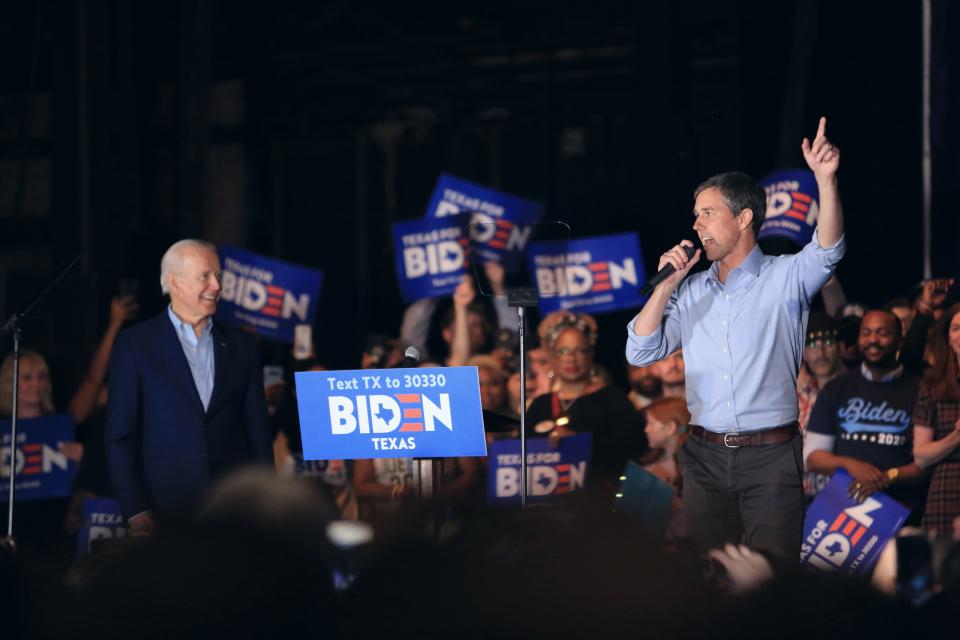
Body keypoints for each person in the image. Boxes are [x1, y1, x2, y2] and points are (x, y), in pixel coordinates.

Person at [626, 117, 845, 559]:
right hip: (703, 455)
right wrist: (667, 285)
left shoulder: (785, 277)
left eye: (707, 212)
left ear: (743, 217)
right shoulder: (690, 291)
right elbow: (641, 349)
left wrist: (826, 181)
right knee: (712, 580)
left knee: (771, 575)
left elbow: (828, 250)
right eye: (695, 214)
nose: (696, 223)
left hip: (770, 455)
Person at [106, 239, 272, 534]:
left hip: (234, 509)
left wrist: (265, 500)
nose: (217, 286)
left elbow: (257, 429)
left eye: (218, 276)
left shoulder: (242, 346)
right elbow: (120, 436)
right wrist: (135, 509)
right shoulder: (135, 345)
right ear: (175, 282)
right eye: (205, 276)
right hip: (164, 512)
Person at [804, 310, 927, 523]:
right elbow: (813, 457)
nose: (873, 340)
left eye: (882, 333)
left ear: (899, 339)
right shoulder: (837, 389)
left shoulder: (920, 389)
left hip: (901, 512)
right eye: (866, 333)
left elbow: (926, 463)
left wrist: (886, 477)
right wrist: (851, 466)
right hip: (842, 512)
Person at [527, 311, 646, 484]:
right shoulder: (539, 405)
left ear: (590, 354)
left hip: (598, 496)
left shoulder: (613, 400)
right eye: (563, 351)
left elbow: (634, 450)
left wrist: (579, 444)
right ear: (553, 356)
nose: (571, 359)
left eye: (579, 351)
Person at [913, 303, 960, 539]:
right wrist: (956, 437)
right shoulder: (932, 385)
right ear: (948, 337)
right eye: (956, 328)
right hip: (948, 487)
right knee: (944, 569)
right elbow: (920, 456)